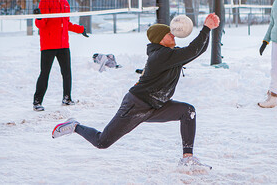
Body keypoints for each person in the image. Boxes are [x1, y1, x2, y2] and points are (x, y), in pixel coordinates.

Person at [51, 13, 220, 166]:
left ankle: (187, 158)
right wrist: (205, 28)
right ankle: (75, 126)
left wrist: (209, 30)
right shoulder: (161, 56)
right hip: (136, 106)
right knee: (102, 142)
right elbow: (192, 50)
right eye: (169, 33)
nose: (173, 35)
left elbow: (197, 51)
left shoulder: (170, 54)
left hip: (156, 106)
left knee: (187, 111)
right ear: (161, 39)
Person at [33, 0, 89, 111]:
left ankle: (67, 98)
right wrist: (39, 17)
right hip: (49, 45)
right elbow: (41, 25)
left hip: (63, 44)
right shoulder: (45, 1)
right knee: (45, 73)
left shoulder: (64, 2)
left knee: (67, 72)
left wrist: (80, 29)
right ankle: (37, 102)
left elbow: (67, 23)